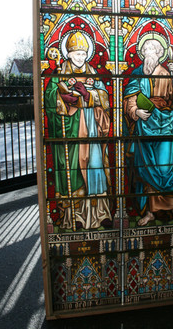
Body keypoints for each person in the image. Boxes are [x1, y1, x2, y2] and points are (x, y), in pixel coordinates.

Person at [45, 31, 112, 230]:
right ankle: (74, 218)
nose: (80, 57)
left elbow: (105, 98)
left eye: (83, 53)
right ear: (68, 54)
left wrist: (88, 94)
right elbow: (49, 97)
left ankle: (100, 214)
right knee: (73, 171)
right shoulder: (60, 73)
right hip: (72, 128)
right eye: (76, 54)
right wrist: (62, 99)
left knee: (95, 166)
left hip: (92, 127)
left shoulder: (93, 74)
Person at [124, 36, 173, 226]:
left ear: (160, 53)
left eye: (152, 49)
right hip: (145, 125)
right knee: (147, 169)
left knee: (166, 168)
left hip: (165, 125)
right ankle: (150, 212)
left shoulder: (166, 73)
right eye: (146, 50)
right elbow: (129, 97)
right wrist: (135, 111)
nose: (147, 53)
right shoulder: (137, 73)